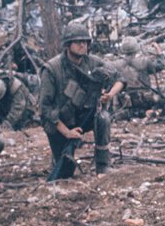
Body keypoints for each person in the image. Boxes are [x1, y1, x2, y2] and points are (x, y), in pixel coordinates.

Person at [39, 22, 125, 176]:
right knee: (64, 172)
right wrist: (67, 132)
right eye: (78, 42)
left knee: (103, 118)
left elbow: (120, 78)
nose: (82, 45)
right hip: (59, 122)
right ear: (67, 45)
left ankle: (103, 164)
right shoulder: (52, 69)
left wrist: (110, 95)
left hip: (83, 116)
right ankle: (58, 158)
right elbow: (45, 108)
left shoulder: (92, 62)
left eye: (85, 41)